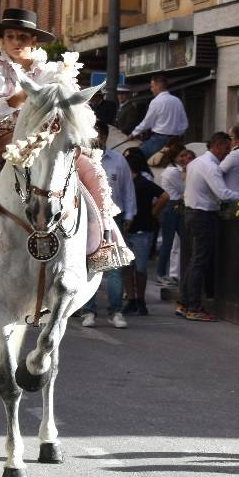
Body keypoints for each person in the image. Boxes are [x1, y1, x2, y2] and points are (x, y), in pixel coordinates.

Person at [0, 8, 131, 277]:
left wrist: (76, 117)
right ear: (2, 41)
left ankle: (104, 242)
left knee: (93, 171)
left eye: (23, 37)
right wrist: (20, 97)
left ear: (34, 42)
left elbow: (78, 109)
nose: (17, 42)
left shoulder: (56, 71)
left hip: (52, 139)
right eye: (11, 36)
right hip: (5, 139)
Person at [179, 132, 239, 321]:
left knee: (194, 260)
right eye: (226, 148)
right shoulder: (211, 167)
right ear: (217, 146)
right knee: (199, 261)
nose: (227, 153)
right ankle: (194, 307)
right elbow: (223, 193)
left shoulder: (195, 163)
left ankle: (184, 303)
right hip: (203, 215)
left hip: (192, 213)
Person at [80, 121, 136, 329]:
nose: (96, 140)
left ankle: (116, 312)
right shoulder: (80, 160)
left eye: (99, 136)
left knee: (114, 266)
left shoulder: (118, 160)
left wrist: (130, 214)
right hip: (85, 219)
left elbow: (127, 190)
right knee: (88, 266)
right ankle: (88, 311)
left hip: (113, 218)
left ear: (104, 137)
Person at [124, 149, 168, 315]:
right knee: (128, 268)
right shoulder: (126, 184)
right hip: (129, 229)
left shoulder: (143, 182)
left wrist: (154, 212)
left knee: (140, 268)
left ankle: (139, 300)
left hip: (142, 230)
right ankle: (132, 299)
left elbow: (164, 196)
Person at [129, 73, 189, 161]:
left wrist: (134, 133)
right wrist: (176, 134)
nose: (151, 89)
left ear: (158, 86)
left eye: (152, 86)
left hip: (158, 141)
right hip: (176, 141)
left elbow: (147, 123)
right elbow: (185, 124)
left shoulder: (156, 102)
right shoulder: (177, 101)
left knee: (135, 156)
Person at [156, 144, 191, 286]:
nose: (184, 159)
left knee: (183, 239)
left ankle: (177, 273)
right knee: (168, 243)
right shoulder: (173, 172)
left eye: (185, 155)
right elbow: (185, 189)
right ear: (174, 157)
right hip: (172, 207)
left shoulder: (174, 170)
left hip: (176, 207)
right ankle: (161, 274)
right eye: (181, 156)